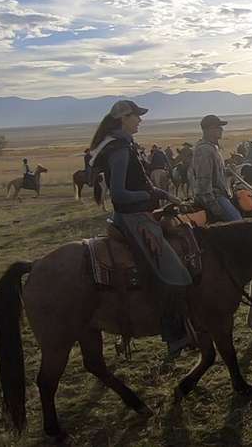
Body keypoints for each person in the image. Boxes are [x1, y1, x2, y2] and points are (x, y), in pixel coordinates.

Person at [89, 100, 190, 358]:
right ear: (124, 117)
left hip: (138, 213)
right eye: (137, 116)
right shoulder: (119, 149)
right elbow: (120, 195)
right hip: (132, 219)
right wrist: (149, 198)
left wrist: (165, 194)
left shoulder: (124, 145)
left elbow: (141, 183)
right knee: (175, 272)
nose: (140, 121)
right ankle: (173, 334)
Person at [190, 115, 242, 223]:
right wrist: (214, 206)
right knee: (238, 221)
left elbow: (215, 175)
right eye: (218, 127)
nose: (221, 129)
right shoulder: (204, 150)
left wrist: (228, 172)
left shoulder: (213, 148)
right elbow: (203, 181)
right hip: (214, 197)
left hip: (221, 194)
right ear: (209, 129)